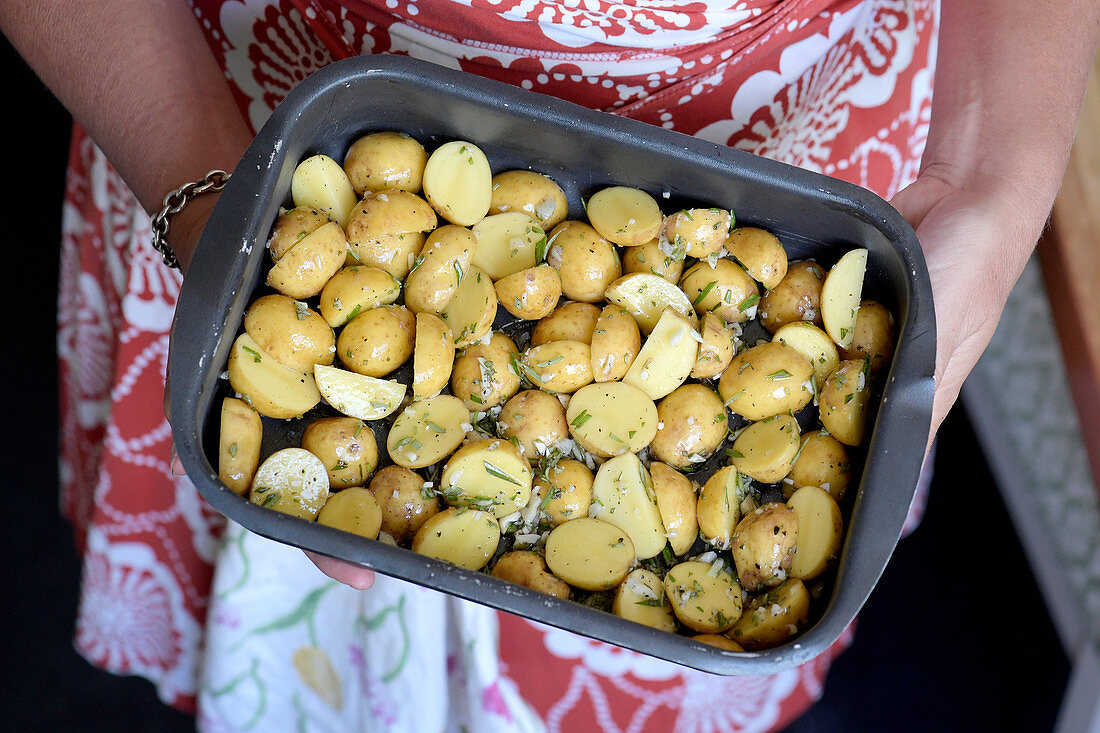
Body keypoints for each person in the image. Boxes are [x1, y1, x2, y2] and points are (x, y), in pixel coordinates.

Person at [2, 0, 1097, 729]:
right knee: (320, 615)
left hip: (805, 123)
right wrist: (215, 209)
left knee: (658, 628)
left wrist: (987, 184)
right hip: (244, 125)